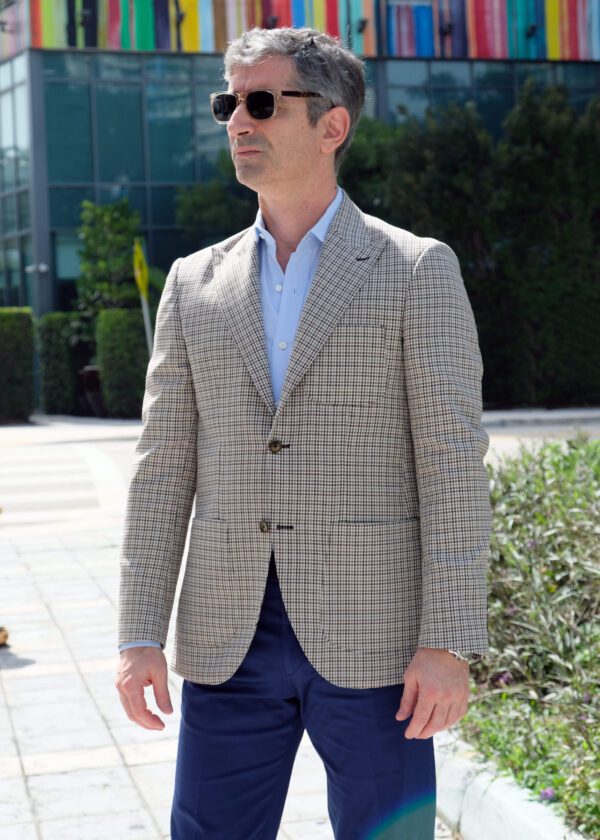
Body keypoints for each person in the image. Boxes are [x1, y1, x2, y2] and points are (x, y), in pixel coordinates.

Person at [115, 26, 492, 840]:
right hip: (228, 637)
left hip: (378, 642)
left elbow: (454, 465)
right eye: (228, 104)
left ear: (332, 126)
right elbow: (163, 465)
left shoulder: (415, 269)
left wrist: (449, 641)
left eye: (260, 102)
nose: (237, 122)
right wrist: (140, 630)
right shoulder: (192, 283)